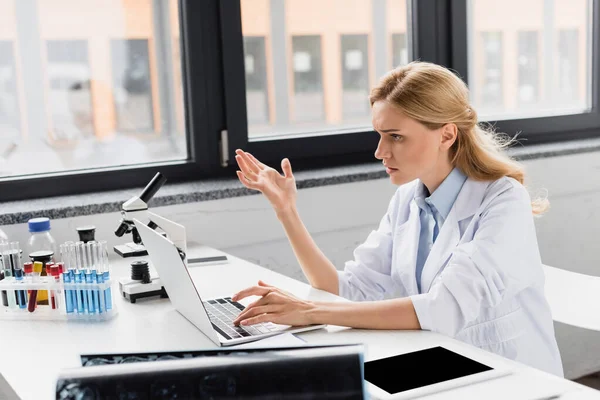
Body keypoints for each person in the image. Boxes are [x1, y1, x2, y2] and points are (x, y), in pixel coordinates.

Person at [231, 61, 563, 377]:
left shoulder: (504, 200)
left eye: (396, 136)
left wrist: (310, 312)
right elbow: (346, 290)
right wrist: (286, 211)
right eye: (379, 135)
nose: (380, 152)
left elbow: (443, 308)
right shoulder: (408, 199)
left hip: (511, 377)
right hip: (442, 366)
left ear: (446, 135)